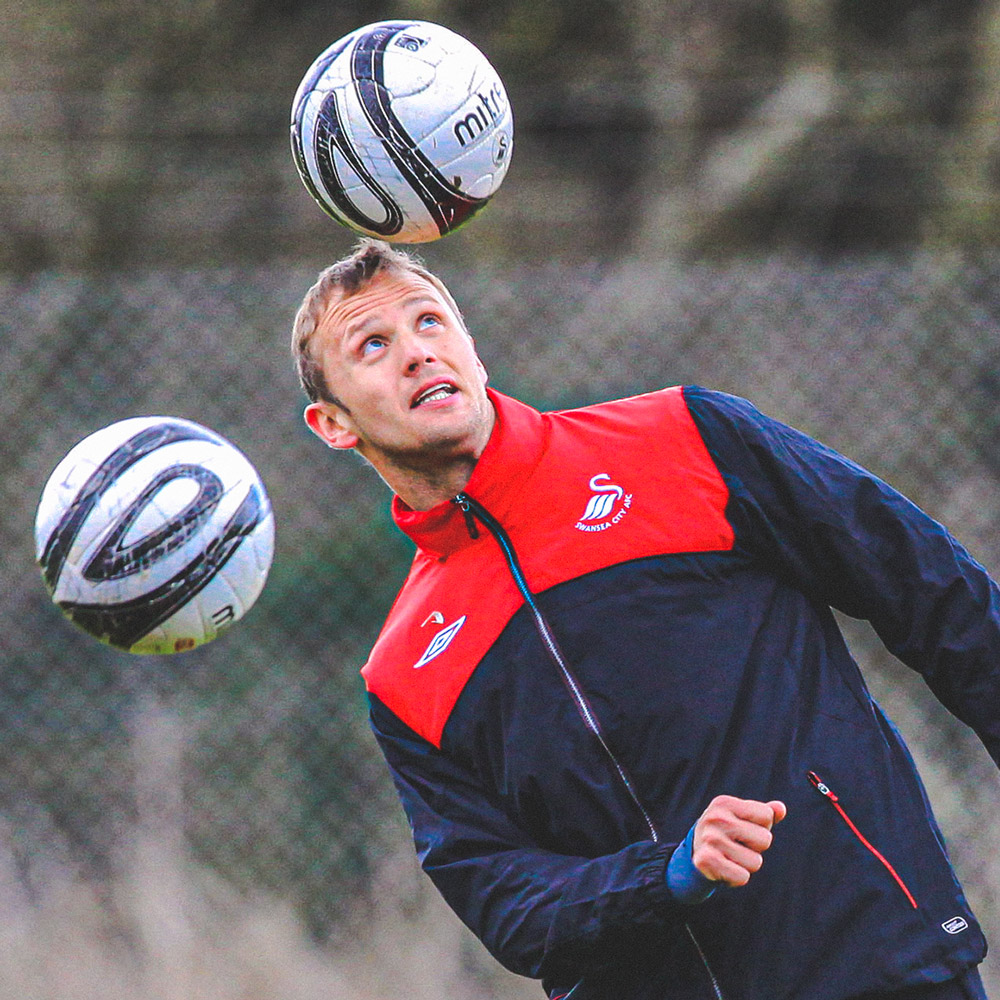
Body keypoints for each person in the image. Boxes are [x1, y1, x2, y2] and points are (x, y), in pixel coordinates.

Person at [292, 238, 998, 1000]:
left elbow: (931, 590)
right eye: (373, 345)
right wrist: (667, 876)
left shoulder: (686, 437)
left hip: (876, 963)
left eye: (431, 323)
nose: (418, 354)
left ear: (473, 350)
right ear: (334, 424)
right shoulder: (402, 675)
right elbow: (508, 904)